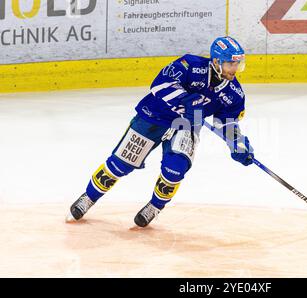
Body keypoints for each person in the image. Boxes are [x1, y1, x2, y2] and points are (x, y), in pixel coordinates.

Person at [67, 36, 254, 227]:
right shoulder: (190, 64)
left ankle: (154, 207)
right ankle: (88, 198)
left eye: (238, 64)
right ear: (216, 61)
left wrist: (238, 145)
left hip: (186, 126)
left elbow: (227, 123)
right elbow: (160, 84)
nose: (235, 69)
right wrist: (185, 100)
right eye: (231, 64)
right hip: (153, 116)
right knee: (120, 164)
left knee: (175, 169)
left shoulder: (234, 93)